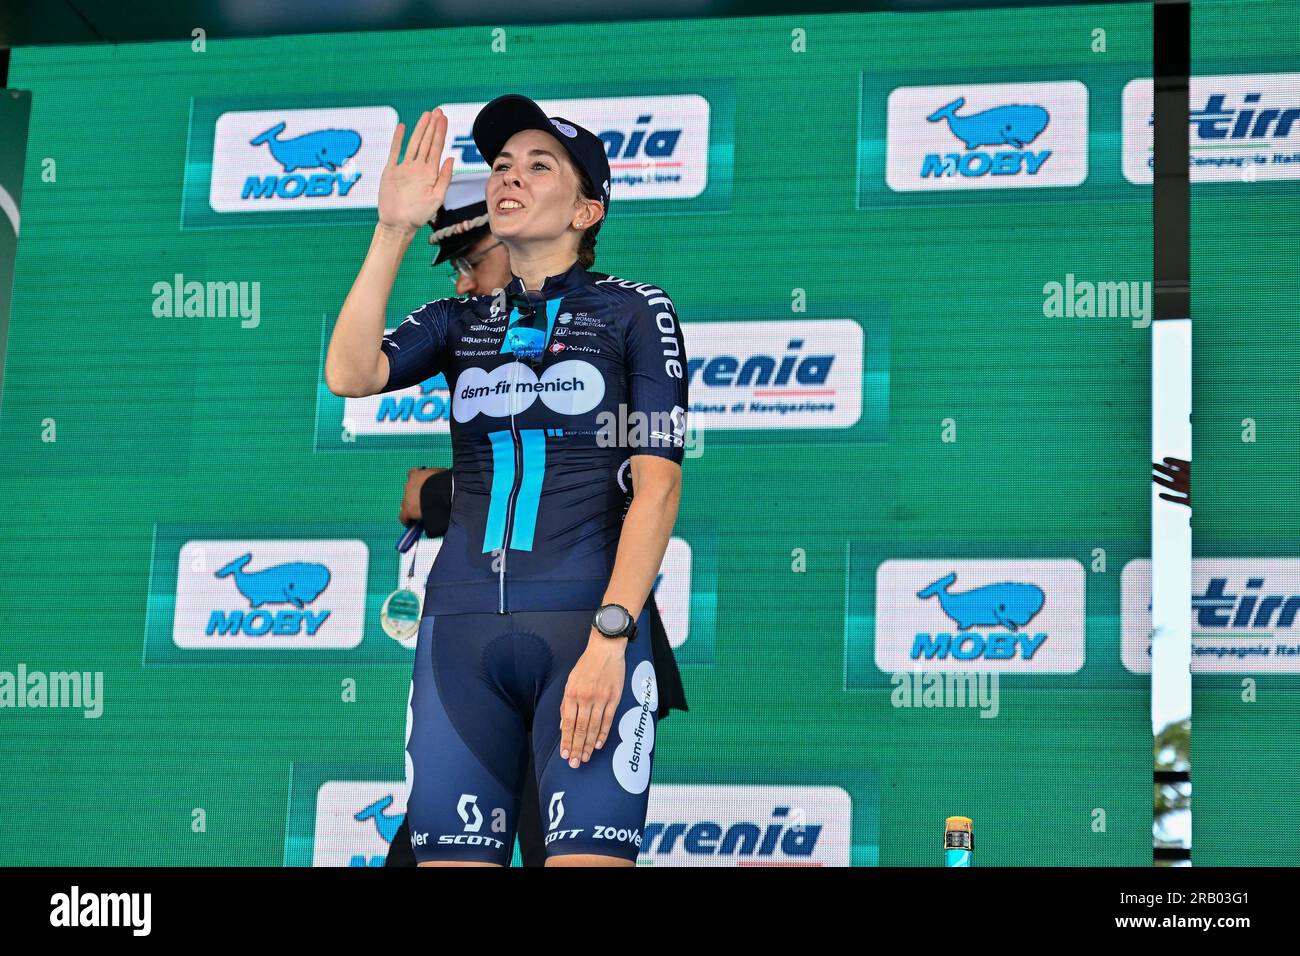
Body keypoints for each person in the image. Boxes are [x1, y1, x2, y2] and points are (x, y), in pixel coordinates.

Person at [325, 94, 688, 867]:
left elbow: (657, 490)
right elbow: (349, 373)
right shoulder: (458, 322)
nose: (509, 178)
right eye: (499, 166)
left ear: (588, 209)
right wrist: (392, 229)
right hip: (458, 637)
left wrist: (611, 640)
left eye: (538, 165)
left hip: (584, 632)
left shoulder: (635, 312)